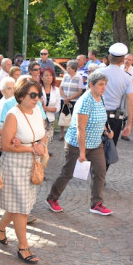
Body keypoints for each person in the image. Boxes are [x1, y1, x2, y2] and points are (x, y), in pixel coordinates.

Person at [0, 77, 46, 263]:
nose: (36, 98)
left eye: (38, 95)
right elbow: (5, 145)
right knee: (22, 207)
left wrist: (42, 146)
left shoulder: (37, 110)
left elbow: (43, 134)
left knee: (21, 203)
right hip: (15, 164)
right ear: (21, 96)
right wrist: (32, 148)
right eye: (33, 95)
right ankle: (23, 247)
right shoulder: (13, 115)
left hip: (32, 163)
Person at [46, 72, 113, 216]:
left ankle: (96, 204)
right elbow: (80, 128)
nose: (104, 87)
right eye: (101, 84)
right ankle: (52, 198)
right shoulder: (85, 101)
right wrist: (82, 153)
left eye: (105, 84)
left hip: (96, 143)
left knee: (100, 172)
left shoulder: (101, 98)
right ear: (91, 85)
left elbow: (101, 117)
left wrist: (107, 129)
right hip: (77, 144)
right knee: (67, 173)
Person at [97, 43, 133, 153]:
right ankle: (102, 170)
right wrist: (129, 124)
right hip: (115, 117)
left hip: (97, 114)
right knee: (109, 151)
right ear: (123, 60)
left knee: (93, 150)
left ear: (109, 58)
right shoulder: (127, 78)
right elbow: (130, 102)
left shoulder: (98, 73)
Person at [58, 60, 84, 140]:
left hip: (74, 101)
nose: (67, 69)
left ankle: (72, 134)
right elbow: (61, 88)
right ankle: (61, 134)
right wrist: (65, 97)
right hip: (63, 99)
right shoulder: (65, 76)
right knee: (62, 116)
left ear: (73, 69)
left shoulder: (79, 77)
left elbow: (80, 91)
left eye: (68, 68)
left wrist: (69, 98)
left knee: (73, 117)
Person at [40, 67, 61, 148]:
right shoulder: (38, 89)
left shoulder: (56, 90)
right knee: (39, 141)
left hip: (50, 119)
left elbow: (57, 108)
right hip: (39, 119)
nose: (49, 77)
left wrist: (46, 108)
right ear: (41, 77)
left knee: (47, 142)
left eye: (51, 75)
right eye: (46, 75)